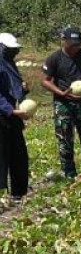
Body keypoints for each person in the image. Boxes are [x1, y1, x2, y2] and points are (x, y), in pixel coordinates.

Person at [41, 27, 81, 179]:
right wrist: (60, 92)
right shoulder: (54, 58)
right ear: (63, 41)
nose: (75, 47)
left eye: (78, 44)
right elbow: (45, 81)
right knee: (65, 139)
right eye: (72, 44)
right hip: (63, 104)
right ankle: (69, 173)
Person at [0, 33, 30, 203]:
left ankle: (18, 193)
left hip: (12, 116)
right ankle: (2, 195)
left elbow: (11, 89)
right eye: (10, 49)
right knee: (2, 155)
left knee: (18, 154)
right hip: (3, 115)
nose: (14, 52)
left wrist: (23, 90)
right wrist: (10, 110)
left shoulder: (8, 63)